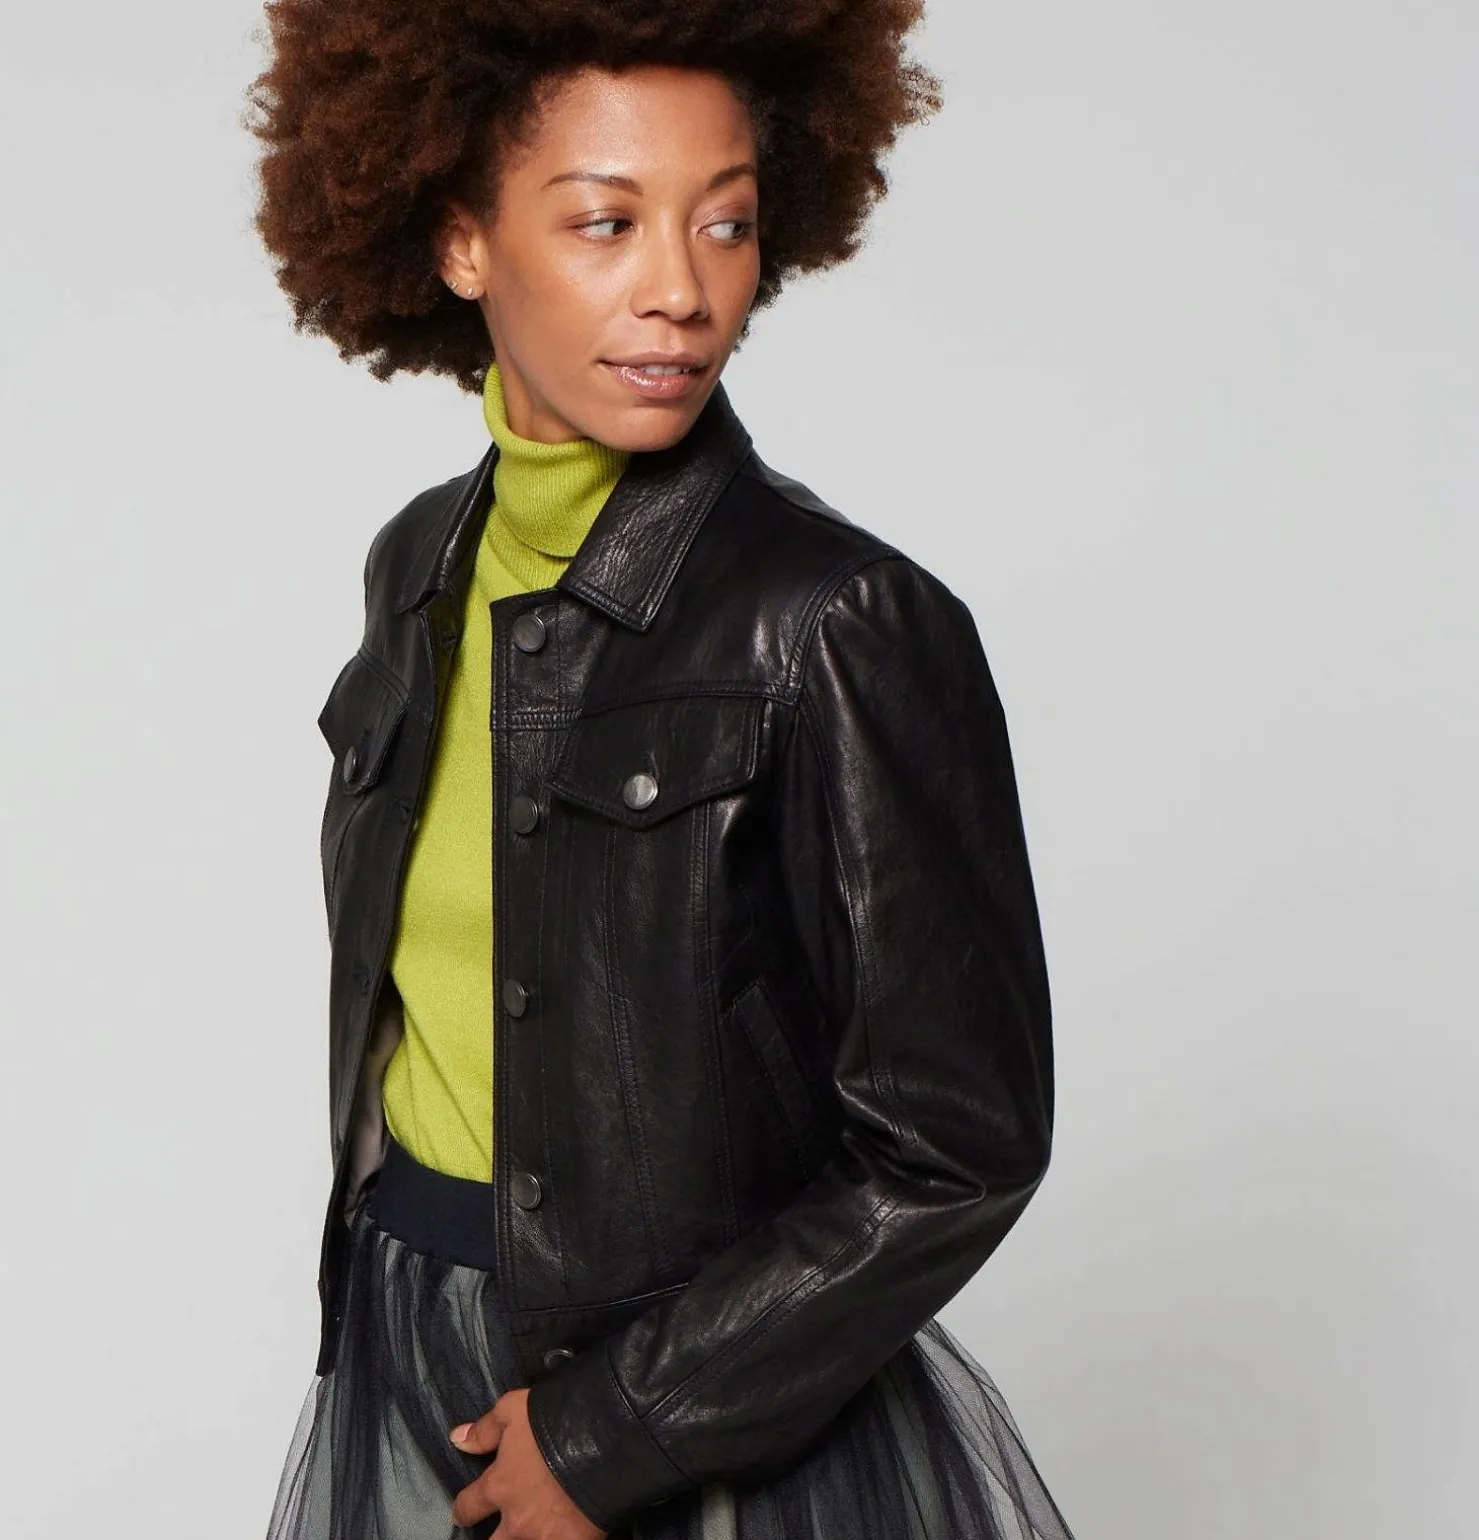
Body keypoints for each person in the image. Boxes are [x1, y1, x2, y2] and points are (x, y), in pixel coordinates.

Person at [246, 2, 1076, 1537]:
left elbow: (958, 1141)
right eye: (606, 222)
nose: (683, 291)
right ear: (463, 241)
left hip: (685, 1386)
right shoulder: (419, 568)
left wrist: (614, 1429)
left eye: (726, 223)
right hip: (409, 1335)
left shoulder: (836, 619)